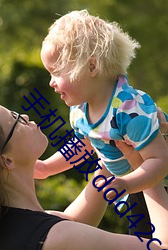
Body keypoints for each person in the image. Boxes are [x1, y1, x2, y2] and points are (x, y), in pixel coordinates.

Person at [0, 98, 168, 250]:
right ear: (6, 160)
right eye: (15, 120)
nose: (24, 116)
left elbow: (73, 221)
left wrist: (109, 141)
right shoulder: (56, 238)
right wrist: (145, 165)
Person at [38, 9, 168, 237]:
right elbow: (85, 145)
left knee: (147, 239)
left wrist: (127, 183)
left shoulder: (129, 109)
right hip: (127, 178)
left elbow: (159, 160)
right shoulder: (80, 110)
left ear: (91, 67)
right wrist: (47, 167)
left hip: (156, 182)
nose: (51, 82)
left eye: (56, 72)